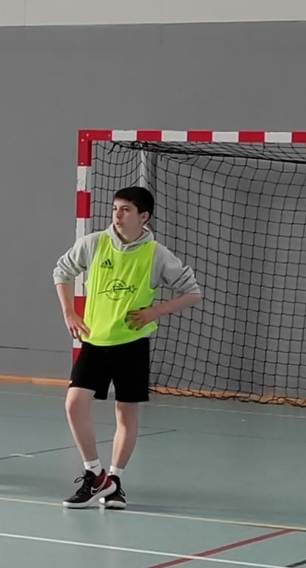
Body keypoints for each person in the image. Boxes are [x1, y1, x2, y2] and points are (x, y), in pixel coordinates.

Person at [53, 186, 202, 509]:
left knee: (126, 413)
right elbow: (61, 271)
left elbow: (193, 292)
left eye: (126, 210)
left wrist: (154, 311)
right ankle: (95, 475)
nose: (117, 215)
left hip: (132, 344)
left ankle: (115, 483)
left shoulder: (156, 254)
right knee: (74, 403)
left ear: (143, 216)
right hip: (95, 340)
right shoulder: (94, 243)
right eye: (115, 209)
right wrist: (69, 311)